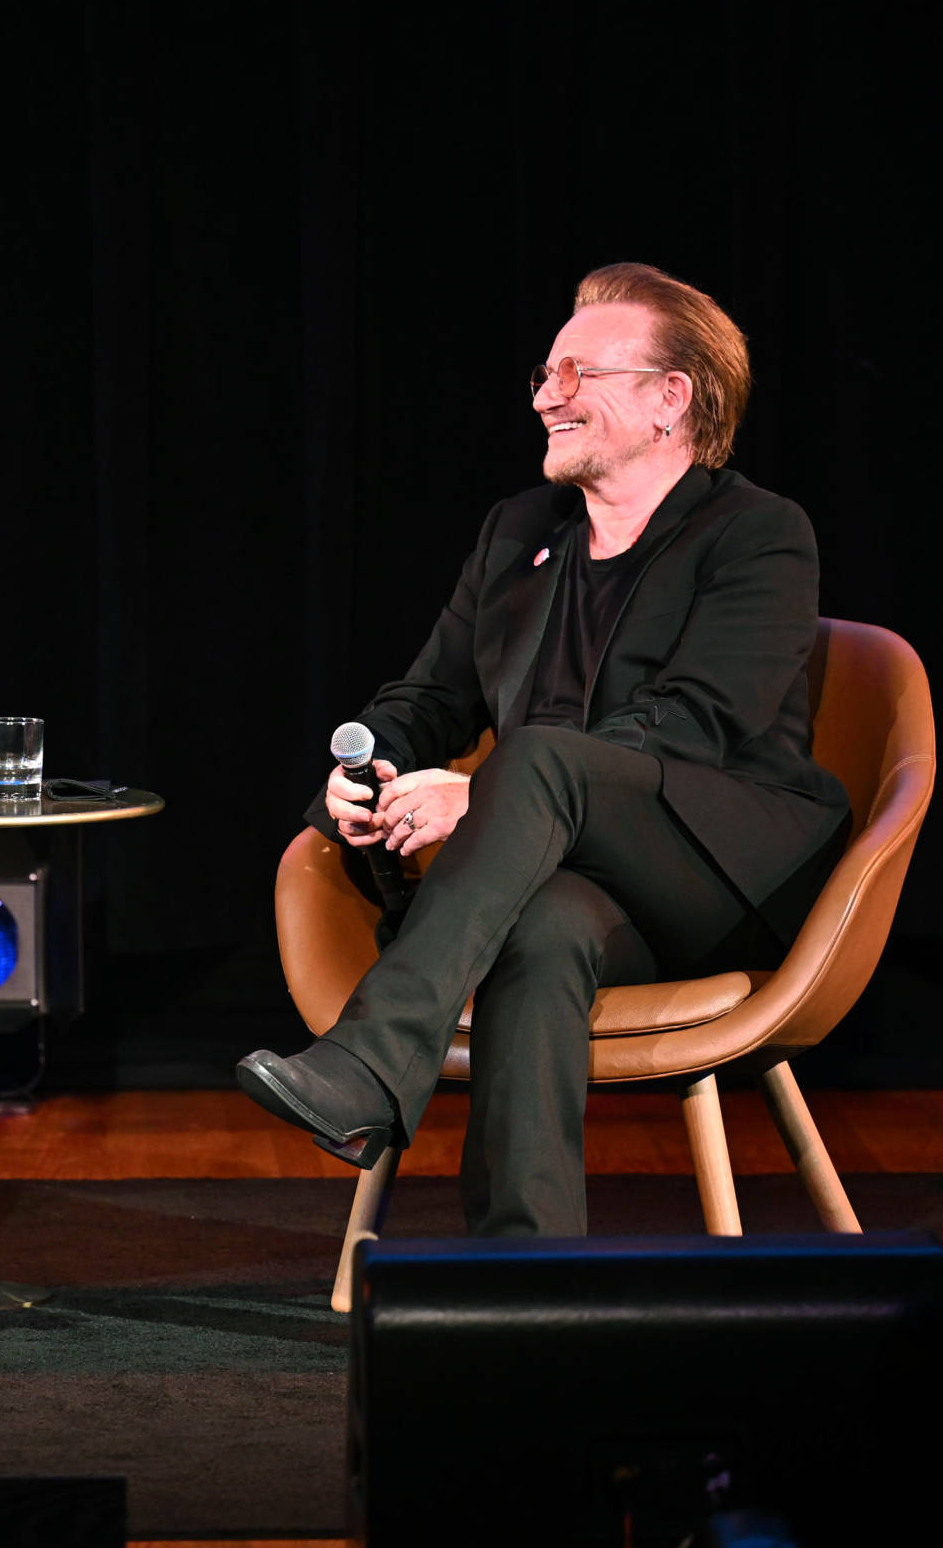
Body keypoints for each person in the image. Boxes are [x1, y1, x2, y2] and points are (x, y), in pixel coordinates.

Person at [235, 263, 850, 1237]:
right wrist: (369, 764)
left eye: (578, 372)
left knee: (535, 759)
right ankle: (522, 1268)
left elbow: (697, 723)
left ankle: (368, 1063)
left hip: (721, 871)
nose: (546, 396)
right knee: (542, 924)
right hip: (578, 882)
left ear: (668, 398)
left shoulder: (756, 534)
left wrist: (479, 795)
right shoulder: (518, 532)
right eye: (543, 374)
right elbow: (430, 693)